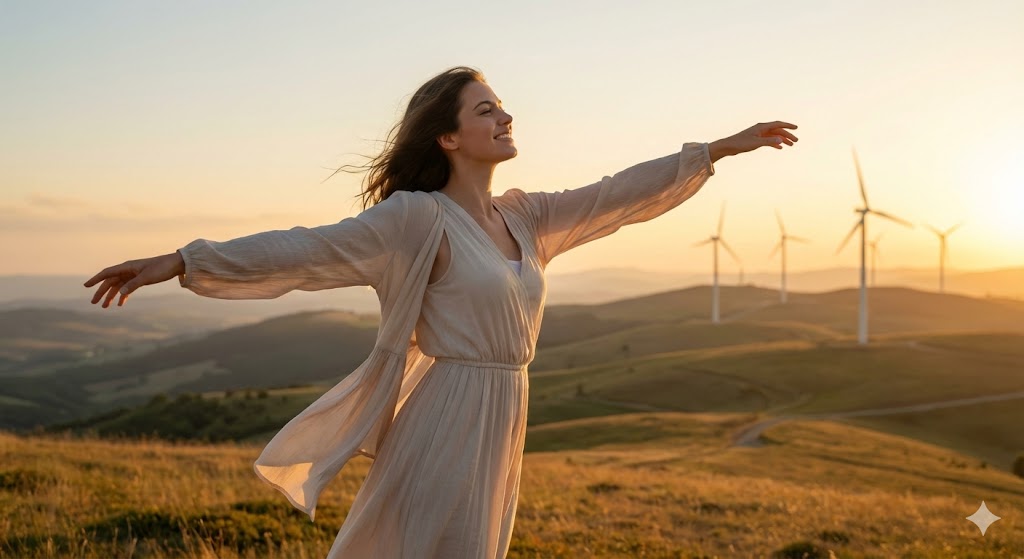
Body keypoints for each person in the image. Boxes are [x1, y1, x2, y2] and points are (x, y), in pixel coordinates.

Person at [84, 65, 797, 558]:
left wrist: (718, 150)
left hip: (504, 409)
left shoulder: (526, 217)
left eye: (501, 104)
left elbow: (615, 193)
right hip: (447, 413)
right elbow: (304, 248)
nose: (505, 114)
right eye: (485, 109)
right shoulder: (415, 219)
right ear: (448, 138)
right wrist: (185, 259)